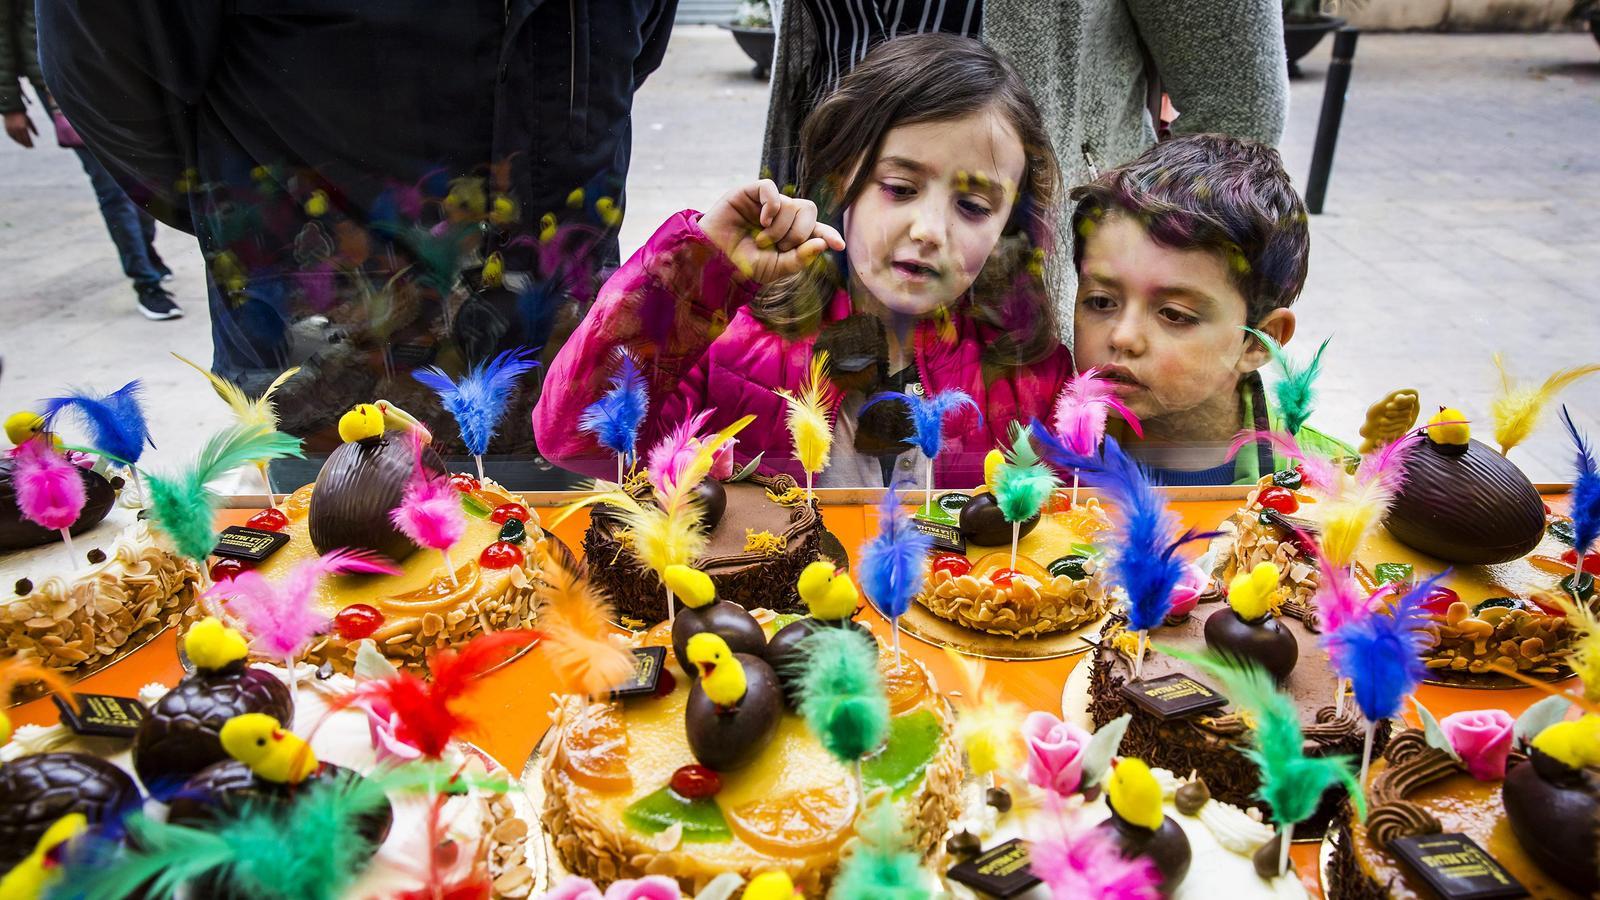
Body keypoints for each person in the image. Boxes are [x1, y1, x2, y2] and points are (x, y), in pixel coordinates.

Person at [38, 0, 677, 465]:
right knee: (344, 622)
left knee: (545, 611)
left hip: (563, 358)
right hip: (332, 369)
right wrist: (259, 229)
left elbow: (629, 48)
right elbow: (110, 76)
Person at [536, 34, 1070, 487]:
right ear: (843, 179)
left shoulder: (1030, 377)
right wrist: (697, 270)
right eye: (901, 188)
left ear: (1009, 226)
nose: (929, 230)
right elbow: (576, 442)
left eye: (973, 207)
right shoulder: (730, 344)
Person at [1069, 134, 1350, 486]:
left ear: (1259, 342)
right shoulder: (1033, 467)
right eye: (1101, 301)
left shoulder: (1334, 491)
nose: (1122, 336)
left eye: (1174, 313)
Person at [1, 0, 179, 320]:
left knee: (143, 174)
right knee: (113, 185)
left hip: (122, 69)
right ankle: (147, 283)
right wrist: (10, 104)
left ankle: (146, 252)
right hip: (62, 79)